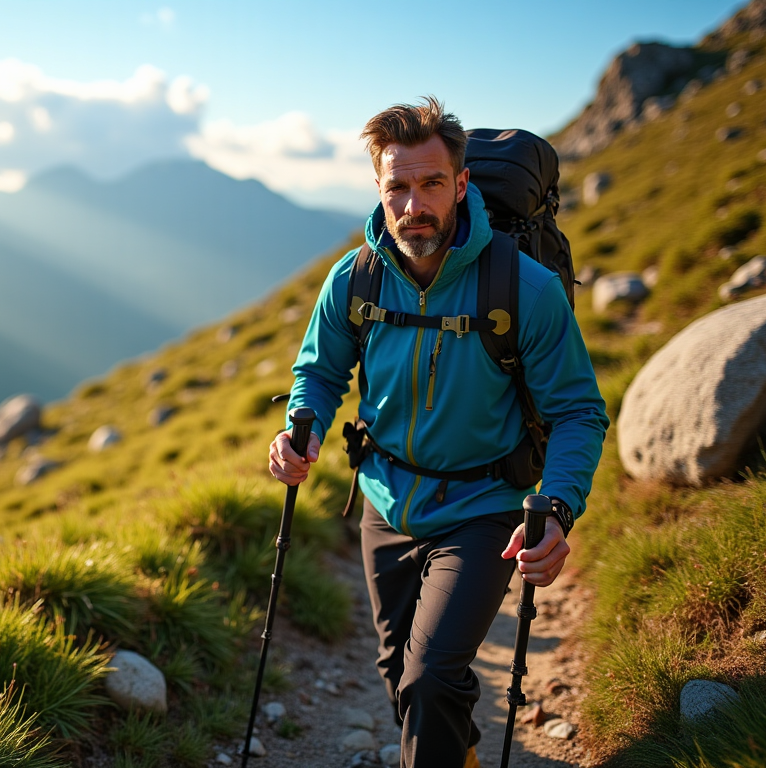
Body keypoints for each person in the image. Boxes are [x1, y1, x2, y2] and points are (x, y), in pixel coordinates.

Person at [268, 98, 608, 768]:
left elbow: (577, 411)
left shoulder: (523, 289)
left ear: (461, 185)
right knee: (402, 674)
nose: (412, 205)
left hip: (483, 510)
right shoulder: (356, 277)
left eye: (430, 184)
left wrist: (560, 507)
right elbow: (318, 373)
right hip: (385, 503)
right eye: (397, 186)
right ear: (379, 188)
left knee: (428, 677)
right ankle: (462, 753)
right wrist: (297, 433)